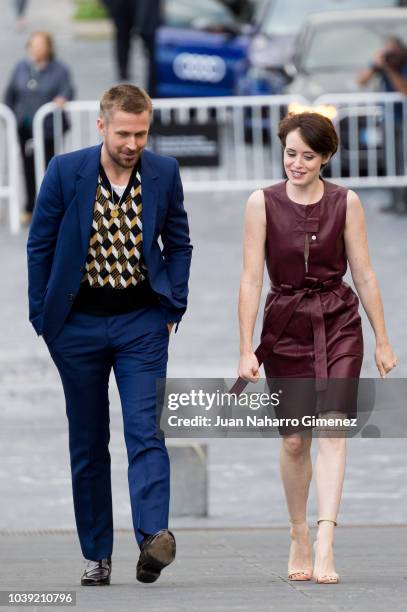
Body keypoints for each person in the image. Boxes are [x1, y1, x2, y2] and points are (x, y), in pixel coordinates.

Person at [27, 84, 192, 586]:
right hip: (76, 327)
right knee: (89, 441)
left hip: (142, 323)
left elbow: (180, 242)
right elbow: (40, 245)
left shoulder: (163, 173)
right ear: (101, 126)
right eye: (124, 133)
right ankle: (97, 554)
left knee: (146, 430)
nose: (133, 143)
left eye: (142, 133)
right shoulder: (65, 171)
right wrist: (44, 319)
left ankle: (152, 538)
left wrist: (173, 305)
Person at [234, 112, 397, 583]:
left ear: (326, 157)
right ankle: (298, 531)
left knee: (332, 430)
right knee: (292, 438)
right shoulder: (260, 203)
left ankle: (326, 539)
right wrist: (246, 348)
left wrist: (383, 340)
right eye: (291, 153)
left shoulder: (347, 202)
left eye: (308, 156)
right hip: (285, 324)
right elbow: (249, 279)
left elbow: (364, 273)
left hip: (339, 320)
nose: (297, 163)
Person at [4, 31, 74, 225]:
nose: (36, 50)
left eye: (40, 46)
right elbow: (10, 93)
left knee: (50, 168)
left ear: (49, 48)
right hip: (24, 126)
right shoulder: (21, 67)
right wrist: (9, 118)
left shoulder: (59, 69)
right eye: (33, 46)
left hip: (50, 128)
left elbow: (67, 90)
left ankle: (52, 209)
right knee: (27, 167)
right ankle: (30, 207)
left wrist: (62, 99)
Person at [358, 37, 407, 214]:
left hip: (403, 119)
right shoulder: (383, 63)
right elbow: (361, 81)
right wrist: (375, 65)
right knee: (392, 161)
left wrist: (389, 69)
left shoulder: (403, 64)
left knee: (403, 162)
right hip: (389, 119)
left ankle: (403, 202)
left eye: (392, 52)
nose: (390, 56)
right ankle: (396, 201)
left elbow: (404, 89)